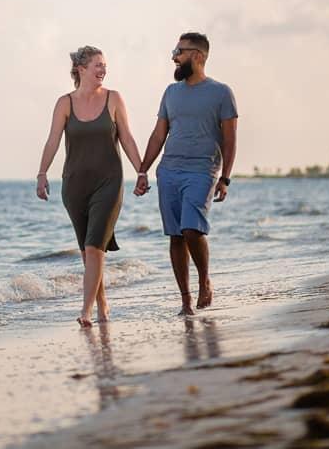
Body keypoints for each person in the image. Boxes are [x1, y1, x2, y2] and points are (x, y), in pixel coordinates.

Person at [36, 45, 144, 327]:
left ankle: (86, 311)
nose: (103, 70)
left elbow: (128, 139)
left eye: (104, 65)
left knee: (95, 247)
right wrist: (42, 173)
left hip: (109, 182)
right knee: (87, 251)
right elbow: (52, 141)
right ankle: (103, 304)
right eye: (97, 65)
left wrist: (141, 171)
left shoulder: (114, 99)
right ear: (80, 69)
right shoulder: (64, 103)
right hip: (74, 186)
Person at [134, 32, 238, 316]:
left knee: (192, 229)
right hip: (168, 171)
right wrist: (143, 170)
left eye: (179, 51)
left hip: (203, 171)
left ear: (198, 56)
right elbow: (158, 135)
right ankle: (185, 300)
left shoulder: (221, 93)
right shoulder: (170, 92)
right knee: (176, 236)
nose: (174, 57)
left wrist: (225, 177)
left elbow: (230, 139)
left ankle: (204, 279)